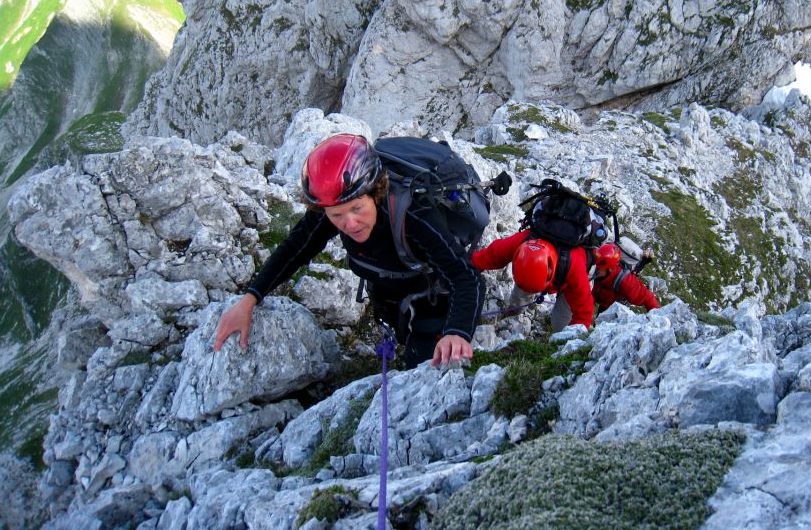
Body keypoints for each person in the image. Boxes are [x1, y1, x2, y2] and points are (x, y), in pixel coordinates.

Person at [213, 133, 485, 368]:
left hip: (432, 300)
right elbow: (295, 248)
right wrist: (249, 299)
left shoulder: (414, 215)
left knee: (423, 369)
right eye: (337, 216)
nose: (349, 223)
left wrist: (457, 332)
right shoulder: (334, 205)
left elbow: (466, 277)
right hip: (390, 293)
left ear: (375, 193)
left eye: (357, 208)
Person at [470, 230, 595, 331]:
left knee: (560, 326)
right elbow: (489, 255)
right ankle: (513, 312)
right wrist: (463, 271)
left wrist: (570, 346)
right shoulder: (521, 241)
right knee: (517, 300)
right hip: (532, 273)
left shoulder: (575, 267)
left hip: (567, 286)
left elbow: (584, 314)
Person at [591, 243, 659, 312]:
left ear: (611, 269)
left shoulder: (626, 282)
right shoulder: (591, 266)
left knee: (604, 318)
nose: (593, 270)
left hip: (611, 303)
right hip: (600, 294)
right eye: (593, 266)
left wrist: (656, 319)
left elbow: (648, 298)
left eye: (598, 269)